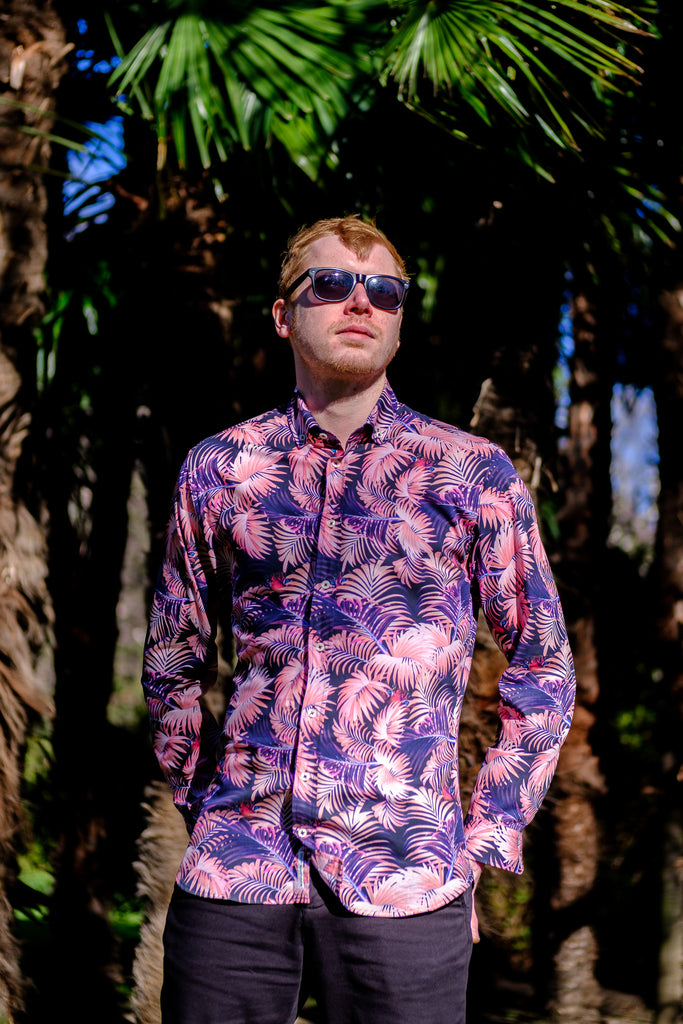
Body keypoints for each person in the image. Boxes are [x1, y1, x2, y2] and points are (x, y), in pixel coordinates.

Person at [141, 215, 576, 1024]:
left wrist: (483, 838)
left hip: (407, 880)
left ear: (401, 321)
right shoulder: (222, 467)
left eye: (384, 291)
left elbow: (541, 667)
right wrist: (203, 808)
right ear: (283, 314)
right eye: (332, 284)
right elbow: (173, 655)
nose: (360, 304)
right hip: (237, 874)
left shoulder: (471, 472)